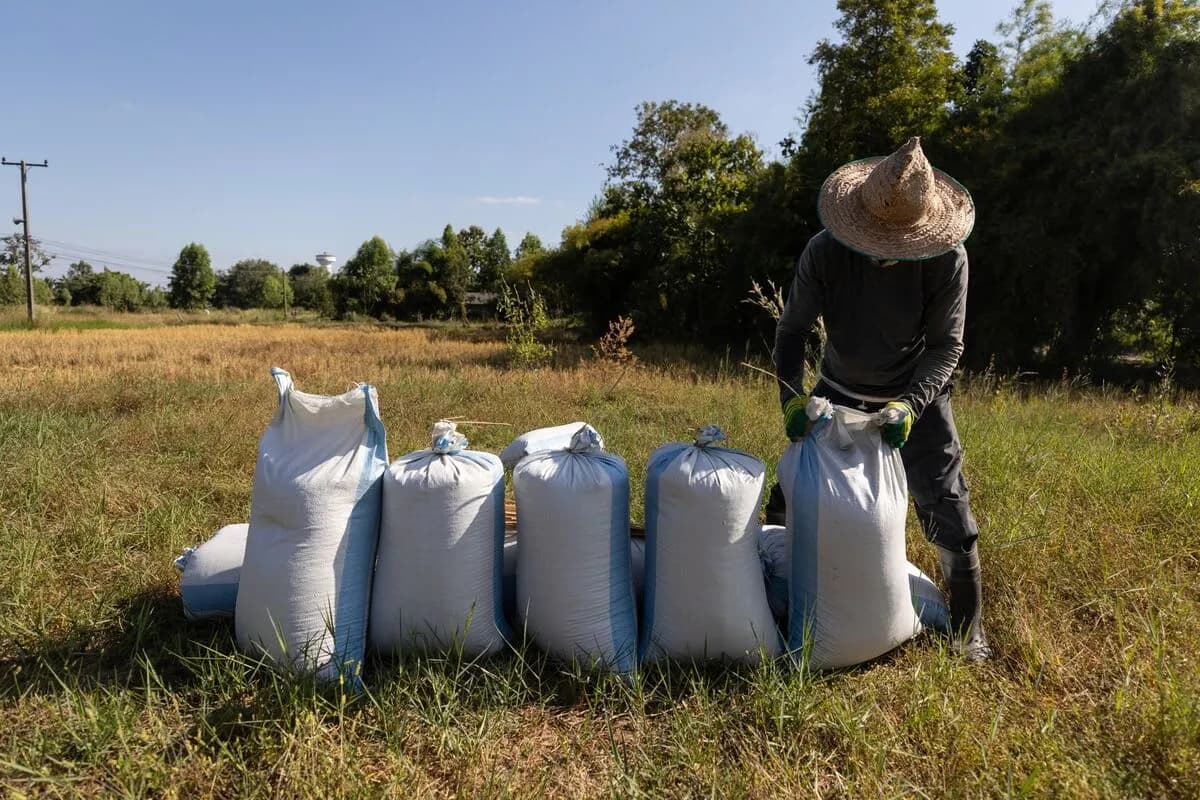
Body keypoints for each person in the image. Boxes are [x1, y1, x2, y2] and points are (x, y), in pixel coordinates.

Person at [770, 137, 993, 662]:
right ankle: (781, 597)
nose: (885, 257)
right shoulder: (825, 252)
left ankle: (968, 631)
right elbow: (791, 331)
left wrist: (911, 406)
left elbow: (947, 346)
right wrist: (790, 401)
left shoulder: (946, 260)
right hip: (837, 395)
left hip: (915, 399)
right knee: (789, 497)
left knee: (947, 507)